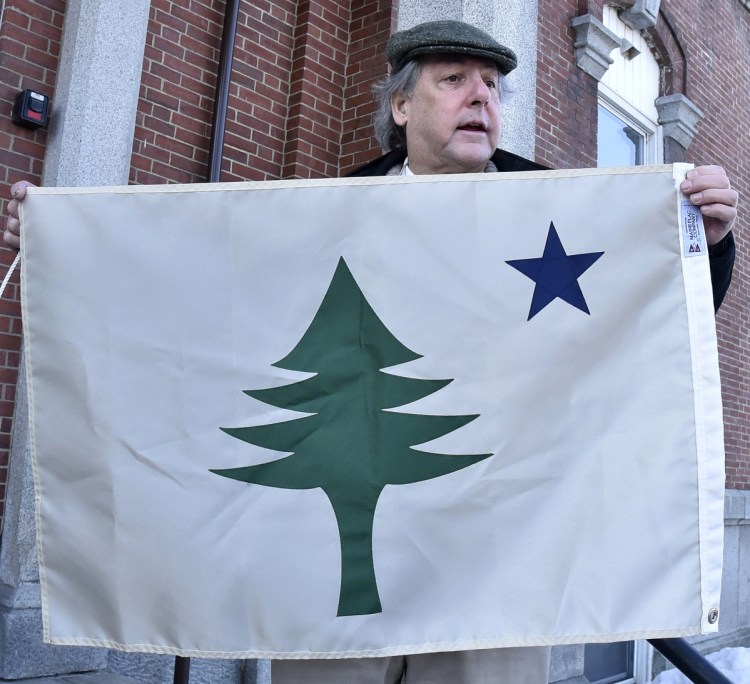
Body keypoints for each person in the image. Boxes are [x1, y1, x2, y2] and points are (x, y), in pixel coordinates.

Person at [2, 19, 738, 684]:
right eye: (452, 80)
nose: (479, 96)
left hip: (497, 573)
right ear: (401, 107)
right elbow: (200, 294)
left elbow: (658, 319)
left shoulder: (563, 213)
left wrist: (708, 242)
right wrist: (62, 253)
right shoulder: (321, 216)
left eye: (491, 85)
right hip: (336, 591)